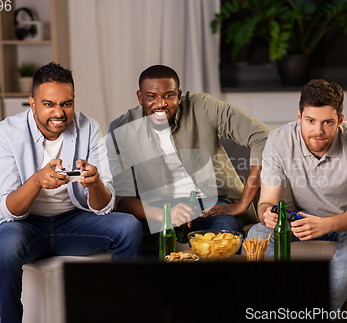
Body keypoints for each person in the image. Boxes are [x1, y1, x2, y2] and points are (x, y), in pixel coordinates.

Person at [0, 62, 143, 322]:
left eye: (66, 104)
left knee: (129, 228)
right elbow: (10, 209)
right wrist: (37, 181)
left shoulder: (89, 128)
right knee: (4, 244)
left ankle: (120, 313)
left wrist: (94, 184)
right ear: (32, 103)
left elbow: (104, 207)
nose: (59, 113)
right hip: (25, 226)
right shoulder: (5, 133)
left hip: (74, 222)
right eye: (49, 104)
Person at [247, 79, 347, 311]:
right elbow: (266, 203)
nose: (318, 131)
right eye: (310, 121)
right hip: (308, 218)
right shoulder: (278, 140)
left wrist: (326, 225)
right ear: (299, 116)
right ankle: (275, 308)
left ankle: (313, 312)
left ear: (340, 121)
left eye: (327, 122)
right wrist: (267, 215)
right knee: (257, 232)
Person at [107, 65, 270, 252]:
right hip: (156, 207)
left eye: (168, 95)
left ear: (179, 94)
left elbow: (262, 137)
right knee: (139, 238)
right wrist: (166, 215)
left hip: (210, 202)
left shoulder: (203, 107)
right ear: (140, 96)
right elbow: (122, 198)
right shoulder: (122, 129)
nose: (160, 104)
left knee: (225, 233)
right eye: (151, 96)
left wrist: (243, 203)